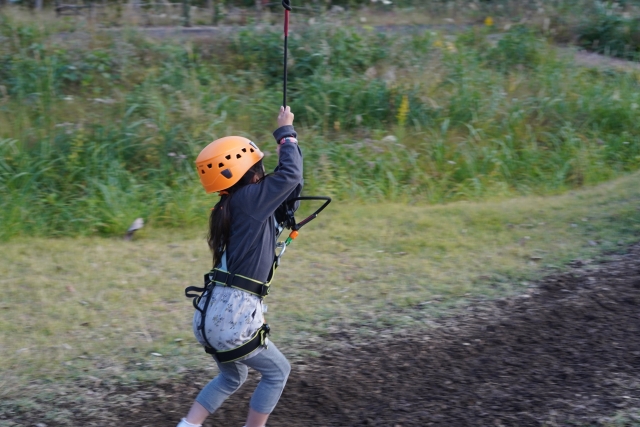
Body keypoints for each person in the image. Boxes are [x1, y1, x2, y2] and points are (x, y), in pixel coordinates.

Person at [177, 106, 302, 427]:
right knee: (277, 372)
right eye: (259, 167)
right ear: (249, 173)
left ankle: (188, 424)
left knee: (233, 376)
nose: (263, 173)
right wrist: (286, 133)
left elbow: (287, 192)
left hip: (209, 318)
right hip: (233, 320)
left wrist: (286, 154)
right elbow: (290, 176)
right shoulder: (249, 201)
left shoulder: (228, 206)